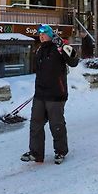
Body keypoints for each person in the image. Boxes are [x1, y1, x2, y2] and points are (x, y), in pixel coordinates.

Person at [21, 24, 79, 165]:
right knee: (35, 124)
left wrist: (63, 46)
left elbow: (74, 61)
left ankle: (60, 151)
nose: (40, 36)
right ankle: (36, 153)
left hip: (56, 94)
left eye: (43, 33)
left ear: (50, 34)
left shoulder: (59, 47)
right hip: (40, 94)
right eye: (39, 34)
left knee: (56, 124)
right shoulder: (40, 49)